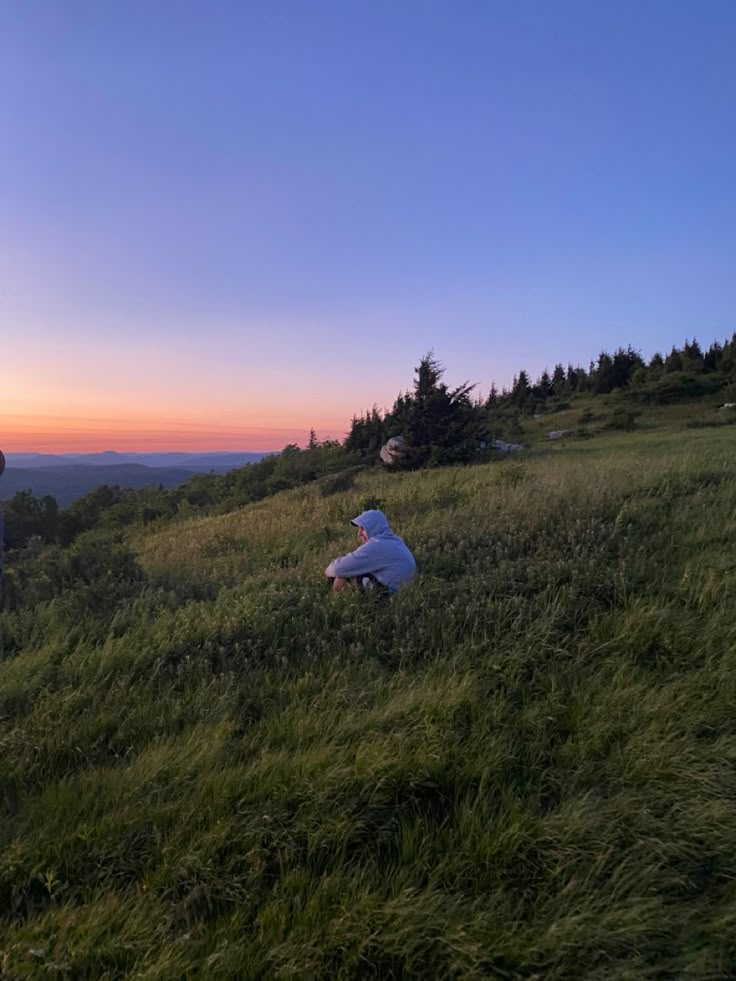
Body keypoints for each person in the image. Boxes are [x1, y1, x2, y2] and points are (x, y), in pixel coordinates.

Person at [324, 509, 416, 594]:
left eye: (363, 528)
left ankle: (336, 602)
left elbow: (339, 568)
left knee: (342, 575)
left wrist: (328, 571)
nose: (359, 533)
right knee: (352, 570)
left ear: (373, 527)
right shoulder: (394, 539)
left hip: (387, 593)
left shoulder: (377, 545)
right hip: (406, 589)